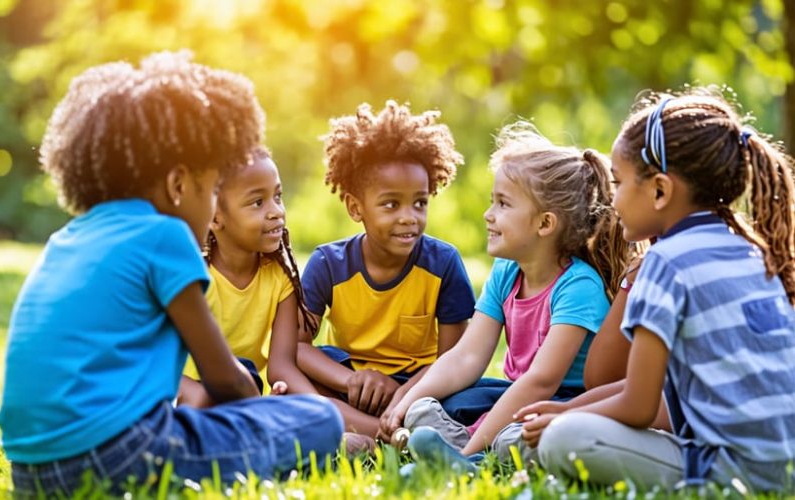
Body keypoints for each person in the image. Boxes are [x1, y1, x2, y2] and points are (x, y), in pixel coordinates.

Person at [0, 51, 343, 496]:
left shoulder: (69, 237)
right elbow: (222, 377)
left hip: (31, 470)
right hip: (118, 458)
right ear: (179, 185)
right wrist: (261, 412)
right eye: (214, 188)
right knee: (320, 419)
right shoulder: (164, 236)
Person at [520, 89, 795, 492]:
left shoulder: (666, 263)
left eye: (618, 182)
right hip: (786, 461)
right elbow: (666, 383)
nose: (612, 201)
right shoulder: (753, 250)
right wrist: (569, 406)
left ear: (660, 190)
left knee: (564, 440)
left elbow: (638, 404)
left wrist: (563, 420)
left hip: (740, 473)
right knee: (560, 426)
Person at [383, 121, 629, 468]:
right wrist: (407, 401)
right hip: (517, 395)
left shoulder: (579, 287)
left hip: (564, 403)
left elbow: (541, 383)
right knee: (448, 402)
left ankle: (472, 456)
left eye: (503, 204)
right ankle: (466, 443)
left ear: (545, 224)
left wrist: (468, 451)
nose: (488, 215)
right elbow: (466, 357)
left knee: (524, 433)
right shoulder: (507, 272)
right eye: (491, 201)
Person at [298, 101, 476, 439]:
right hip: (350, 386)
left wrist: (405, 393)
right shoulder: (328, 264)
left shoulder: (444, 264)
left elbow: (453, 359)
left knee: (469, 396)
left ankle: (370, 430)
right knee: (296, 383)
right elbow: (296, 346)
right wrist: (351, 379)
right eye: (391, 204)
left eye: (420, 202)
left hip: (421, 385)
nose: (409, 216)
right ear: (355, 207)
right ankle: (384, 433)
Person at [177, 148, 316, 404]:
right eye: (257, 202)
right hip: (186, 395)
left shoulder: (279, 275)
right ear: (215, 217)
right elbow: (158, 363)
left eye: (278, 196)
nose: (276, 211)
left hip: (247, 389)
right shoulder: (192, 276)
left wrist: (325, 412)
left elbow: (282, 367)